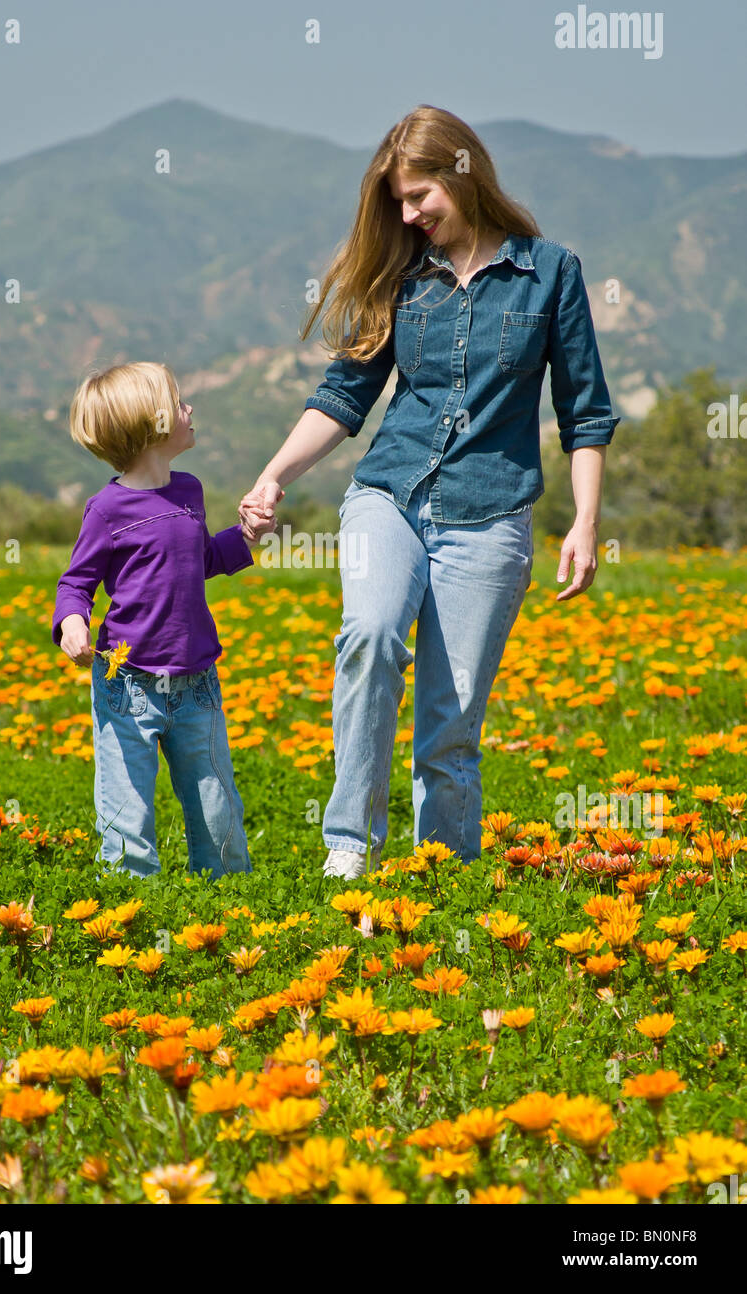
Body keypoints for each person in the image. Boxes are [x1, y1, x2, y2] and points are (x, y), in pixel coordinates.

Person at [239, 104, 620, 881]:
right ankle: (350, 846)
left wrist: (584, 521)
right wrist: (274, 476)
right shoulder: (401, 277)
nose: (408, 216)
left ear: (462, 172)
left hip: (493, 512)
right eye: (399, 204)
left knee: (450, 721)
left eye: (419, 198)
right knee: (372, 636)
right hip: (391, 494)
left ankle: (438, 879)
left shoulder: (551, 273)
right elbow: (344, 396)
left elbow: (584, 410)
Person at [52, 360, 261, 880]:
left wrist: (246, 537)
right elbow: (75, 583)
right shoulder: (106, 510)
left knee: (218, 811)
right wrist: (72, 623)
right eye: (180, 401)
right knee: (127, 815)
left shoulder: (189, 491)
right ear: (153, 426)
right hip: (127, 686)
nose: (191, 409)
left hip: (197, 685)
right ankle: (132, 909)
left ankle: (230, 901)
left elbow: (198, 561)